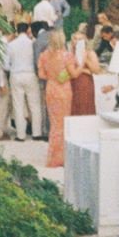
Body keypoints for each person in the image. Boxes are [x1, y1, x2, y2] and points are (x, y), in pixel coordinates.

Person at [37, 29, 74, 164]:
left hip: (51, 88)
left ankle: (53, 156)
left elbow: (41, 75)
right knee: (63, 122)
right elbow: (73, 73)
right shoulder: (67, 56)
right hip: (63, 89)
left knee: (54, 123)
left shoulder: (43, 56)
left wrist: (51, 77)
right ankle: (61, 157)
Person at [6, 22, 45, 142]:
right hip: (30, 74)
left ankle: (20, 135)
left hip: (16, 74)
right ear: (28, 30)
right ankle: (36, 133)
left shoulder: (11, 45)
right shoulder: (32, 43)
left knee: (18, 105)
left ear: (16, 31)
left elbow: (6, 65)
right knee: (35, 105)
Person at [68, 22, 98, 117]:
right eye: (75, 39)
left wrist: (85, 59)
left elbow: (96, 70)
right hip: (71, 83)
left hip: (85, 83)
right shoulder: (69, 53)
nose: (77, 41)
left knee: (85, 106)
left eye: (80, 39)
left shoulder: (90, 52)